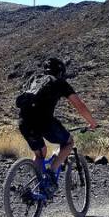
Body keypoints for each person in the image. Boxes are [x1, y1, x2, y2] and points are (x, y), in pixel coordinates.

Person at [16, 57, 97, 195]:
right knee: (69, 142)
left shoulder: (35, 79)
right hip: (44, 122)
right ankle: (51, 174)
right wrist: (92, 122)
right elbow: (79, 105)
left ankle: (38, 189)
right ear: (60, 72)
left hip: (24, 121)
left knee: (40, 154)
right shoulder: (60, 83)